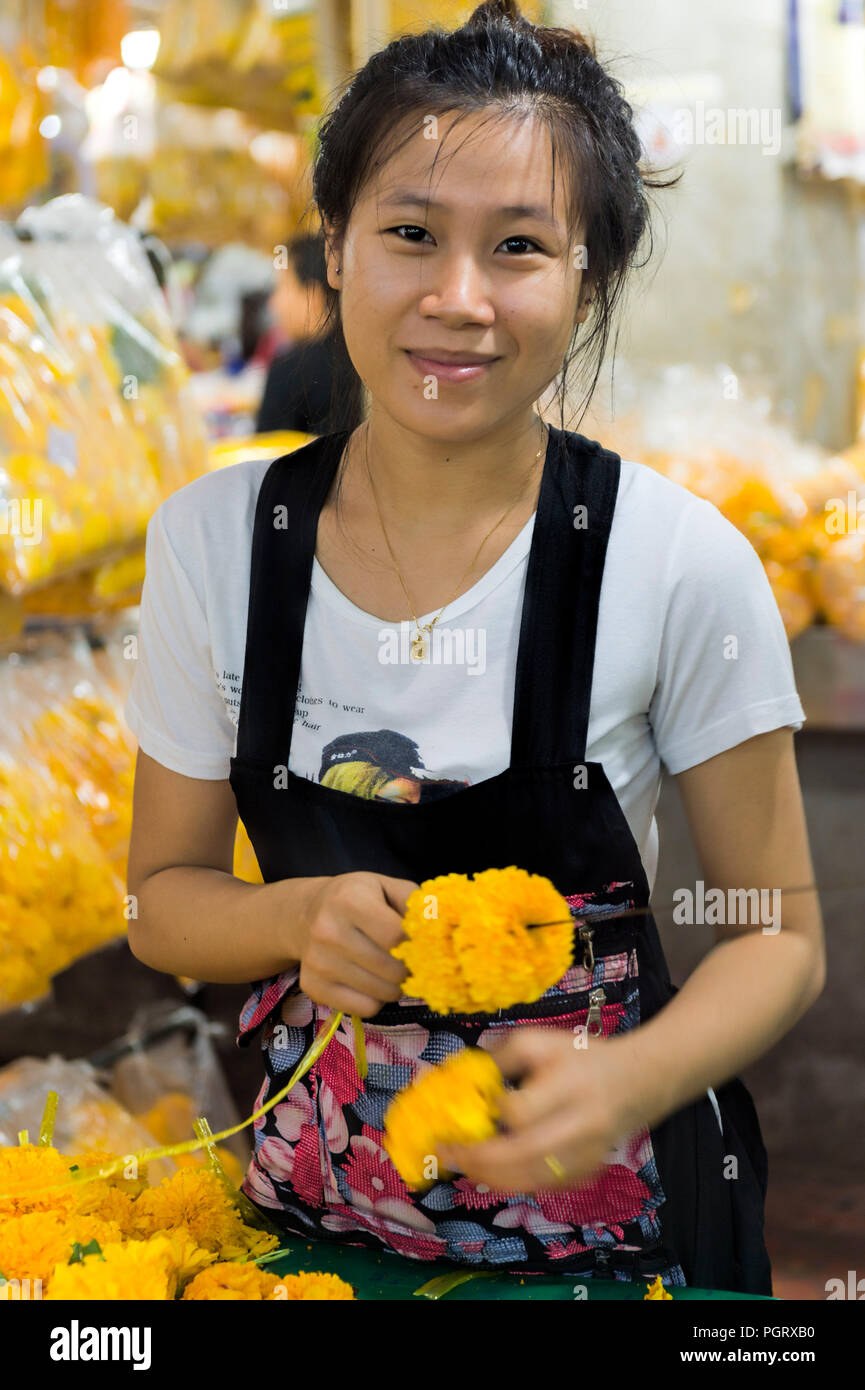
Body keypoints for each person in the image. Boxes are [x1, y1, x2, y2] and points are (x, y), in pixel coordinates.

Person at [124, 0, 825, 1292]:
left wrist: (629, 1072)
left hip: (613, 1238)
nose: (458, 299)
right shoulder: (215, 543)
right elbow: (163, 898)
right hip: (311, 1236)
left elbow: (778, 929)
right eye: (408, 235)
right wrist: (290, 913)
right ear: (334, 245)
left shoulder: (676, 560)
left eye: (518, 246)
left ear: (588, 278)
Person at [255, 233, 363, 435]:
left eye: (282, 287)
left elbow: (265, 457)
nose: (273, 303)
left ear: (313, 295)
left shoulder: (289, 369)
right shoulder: (363, 358)